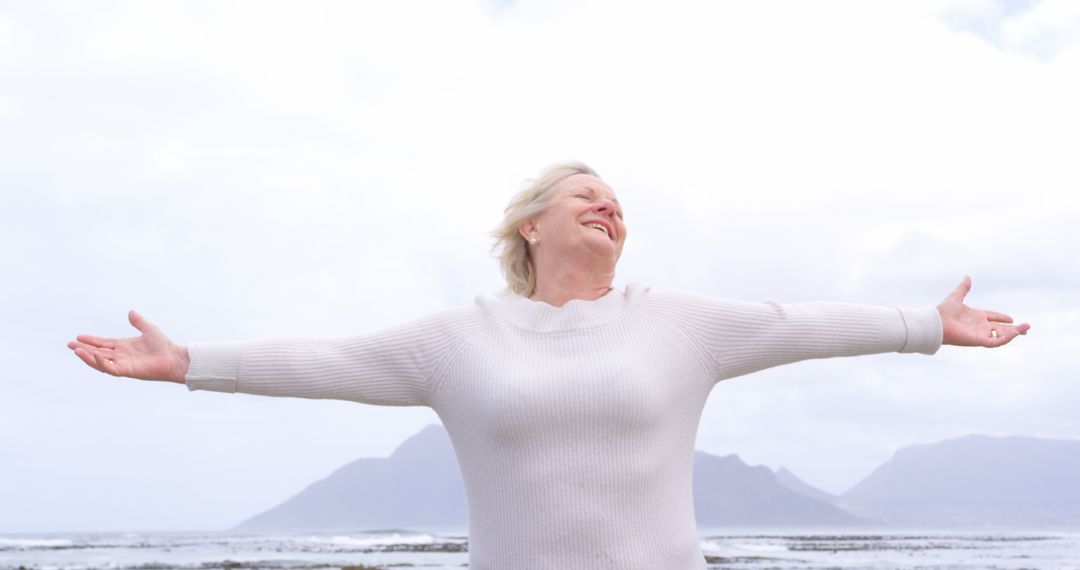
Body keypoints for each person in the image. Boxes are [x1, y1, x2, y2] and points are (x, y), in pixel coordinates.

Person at [68, 162, 1030, 570]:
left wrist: (926, 325)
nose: (609, 206)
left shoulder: (678, 323)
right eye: (585, 195)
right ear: (532, 225)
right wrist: (190, 361)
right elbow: (332, 358)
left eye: (617, 201)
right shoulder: (461, 340)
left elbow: (799, 322)